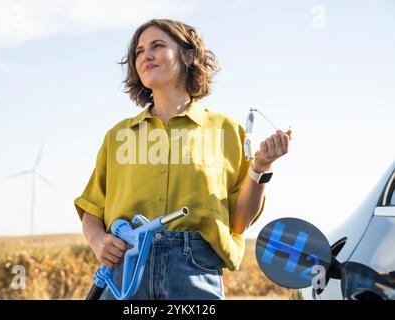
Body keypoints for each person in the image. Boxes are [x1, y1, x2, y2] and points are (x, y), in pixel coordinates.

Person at [74, 18, 291, 300]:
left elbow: (239, 222)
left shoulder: (226, 131)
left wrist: (261, 167)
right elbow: (93, 209)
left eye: (157, 46)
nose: (146, 55)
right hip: (125, 269)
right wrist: (98, 241)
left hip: (194, 271)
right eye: (139, 51)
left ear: (188, 55)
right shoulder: (118, 136)